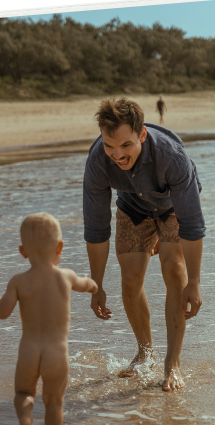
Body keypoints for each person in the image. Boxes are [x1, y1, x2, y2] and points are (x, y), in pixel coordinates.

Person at [83, 97, 205, 392]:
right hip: (132, 206)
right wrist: (96, 283)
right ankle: (144, 353)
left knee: (174, 271)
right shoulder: (98, 162)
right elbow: (97, 229)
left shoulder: (172, 156)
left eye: (126, 145)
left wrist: (195, 282)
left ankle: (171, 364)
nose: (117, 154)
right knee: (130, 279)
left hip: (172, 205)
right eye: (110, 145)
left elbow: (192, 224)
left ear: (142, 135)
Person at [0, 213, 98, 425]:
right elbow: (87, 285)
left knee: (23, 393)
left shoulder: (18, 281)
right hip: (56, 353)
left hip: (29, 351)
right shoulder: (66, 276)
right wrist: (92, 284)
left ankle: (26, 418)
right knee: (54, 402)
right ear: (60, 247)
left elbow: (2, 312)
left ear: (23, 251)